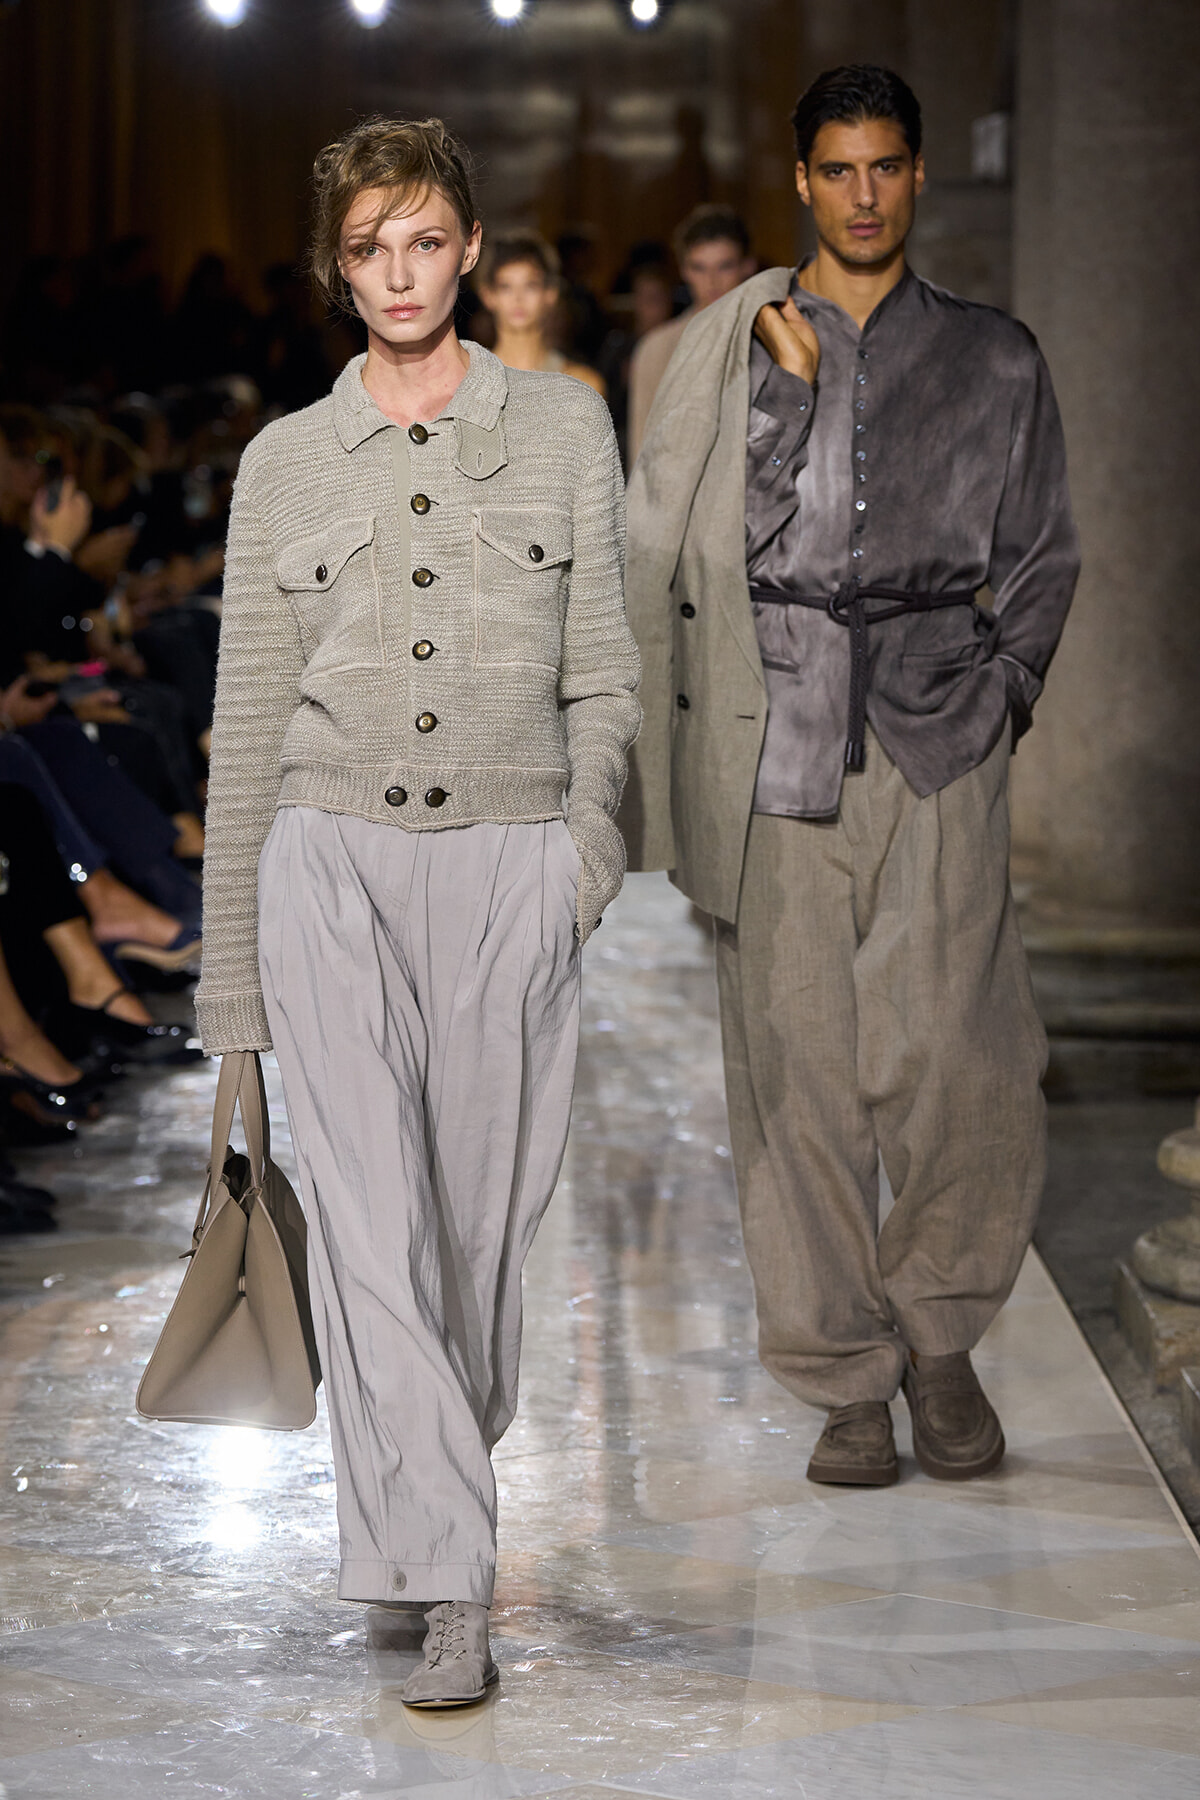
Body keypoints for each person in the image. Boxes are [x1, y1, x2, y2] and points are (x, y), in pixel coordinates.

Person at [196, 116, 639, 1706]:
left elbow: (607, 673)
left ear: (468, 252)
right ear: (337, 268)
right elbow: (246, 725)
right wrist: (230, 988)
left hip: (510, 863)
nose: (400, 273)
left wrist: (579, 857)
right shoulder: (283, 465)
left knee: (479, 1255)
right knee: (372, 1242)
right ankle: (448, 1581)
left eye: (427, 241)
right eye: (370, 246)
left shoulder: (566, 432)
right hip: (328, 868)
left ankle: (417, 1512)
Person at [621, 65, 1078, 1489]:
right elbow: (691, 549)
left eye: (887, 167)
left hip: (944, 735)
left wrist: (1001, 695)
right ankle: (842, 1377)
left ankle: (942, 1345)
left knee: (962, 1059)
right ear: (802, 183)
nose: (865, 193)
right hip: (780, 741)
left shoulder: (998, 359)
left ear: (919, 177)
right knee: (797, 1072)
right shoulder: (738, 346)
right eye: (839, 169)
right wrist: (784, 409)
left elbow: (1046, 552)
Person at [627, 204, 756, 465]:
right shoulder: (657, 348)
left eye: (725, 266)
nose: (712, 280)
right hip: (680, 499)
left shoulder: (773, 339)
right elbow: (643, 450)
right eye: (699, 267)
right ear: (684, 270)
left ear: (747, 266)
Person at [475, 230, 605, 394]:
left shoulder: (583, 385)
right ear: (488, 295)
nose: (518, 298)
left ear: (550, 293)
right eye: (506, 287)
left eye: (530, 286)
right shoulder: (468, 382)